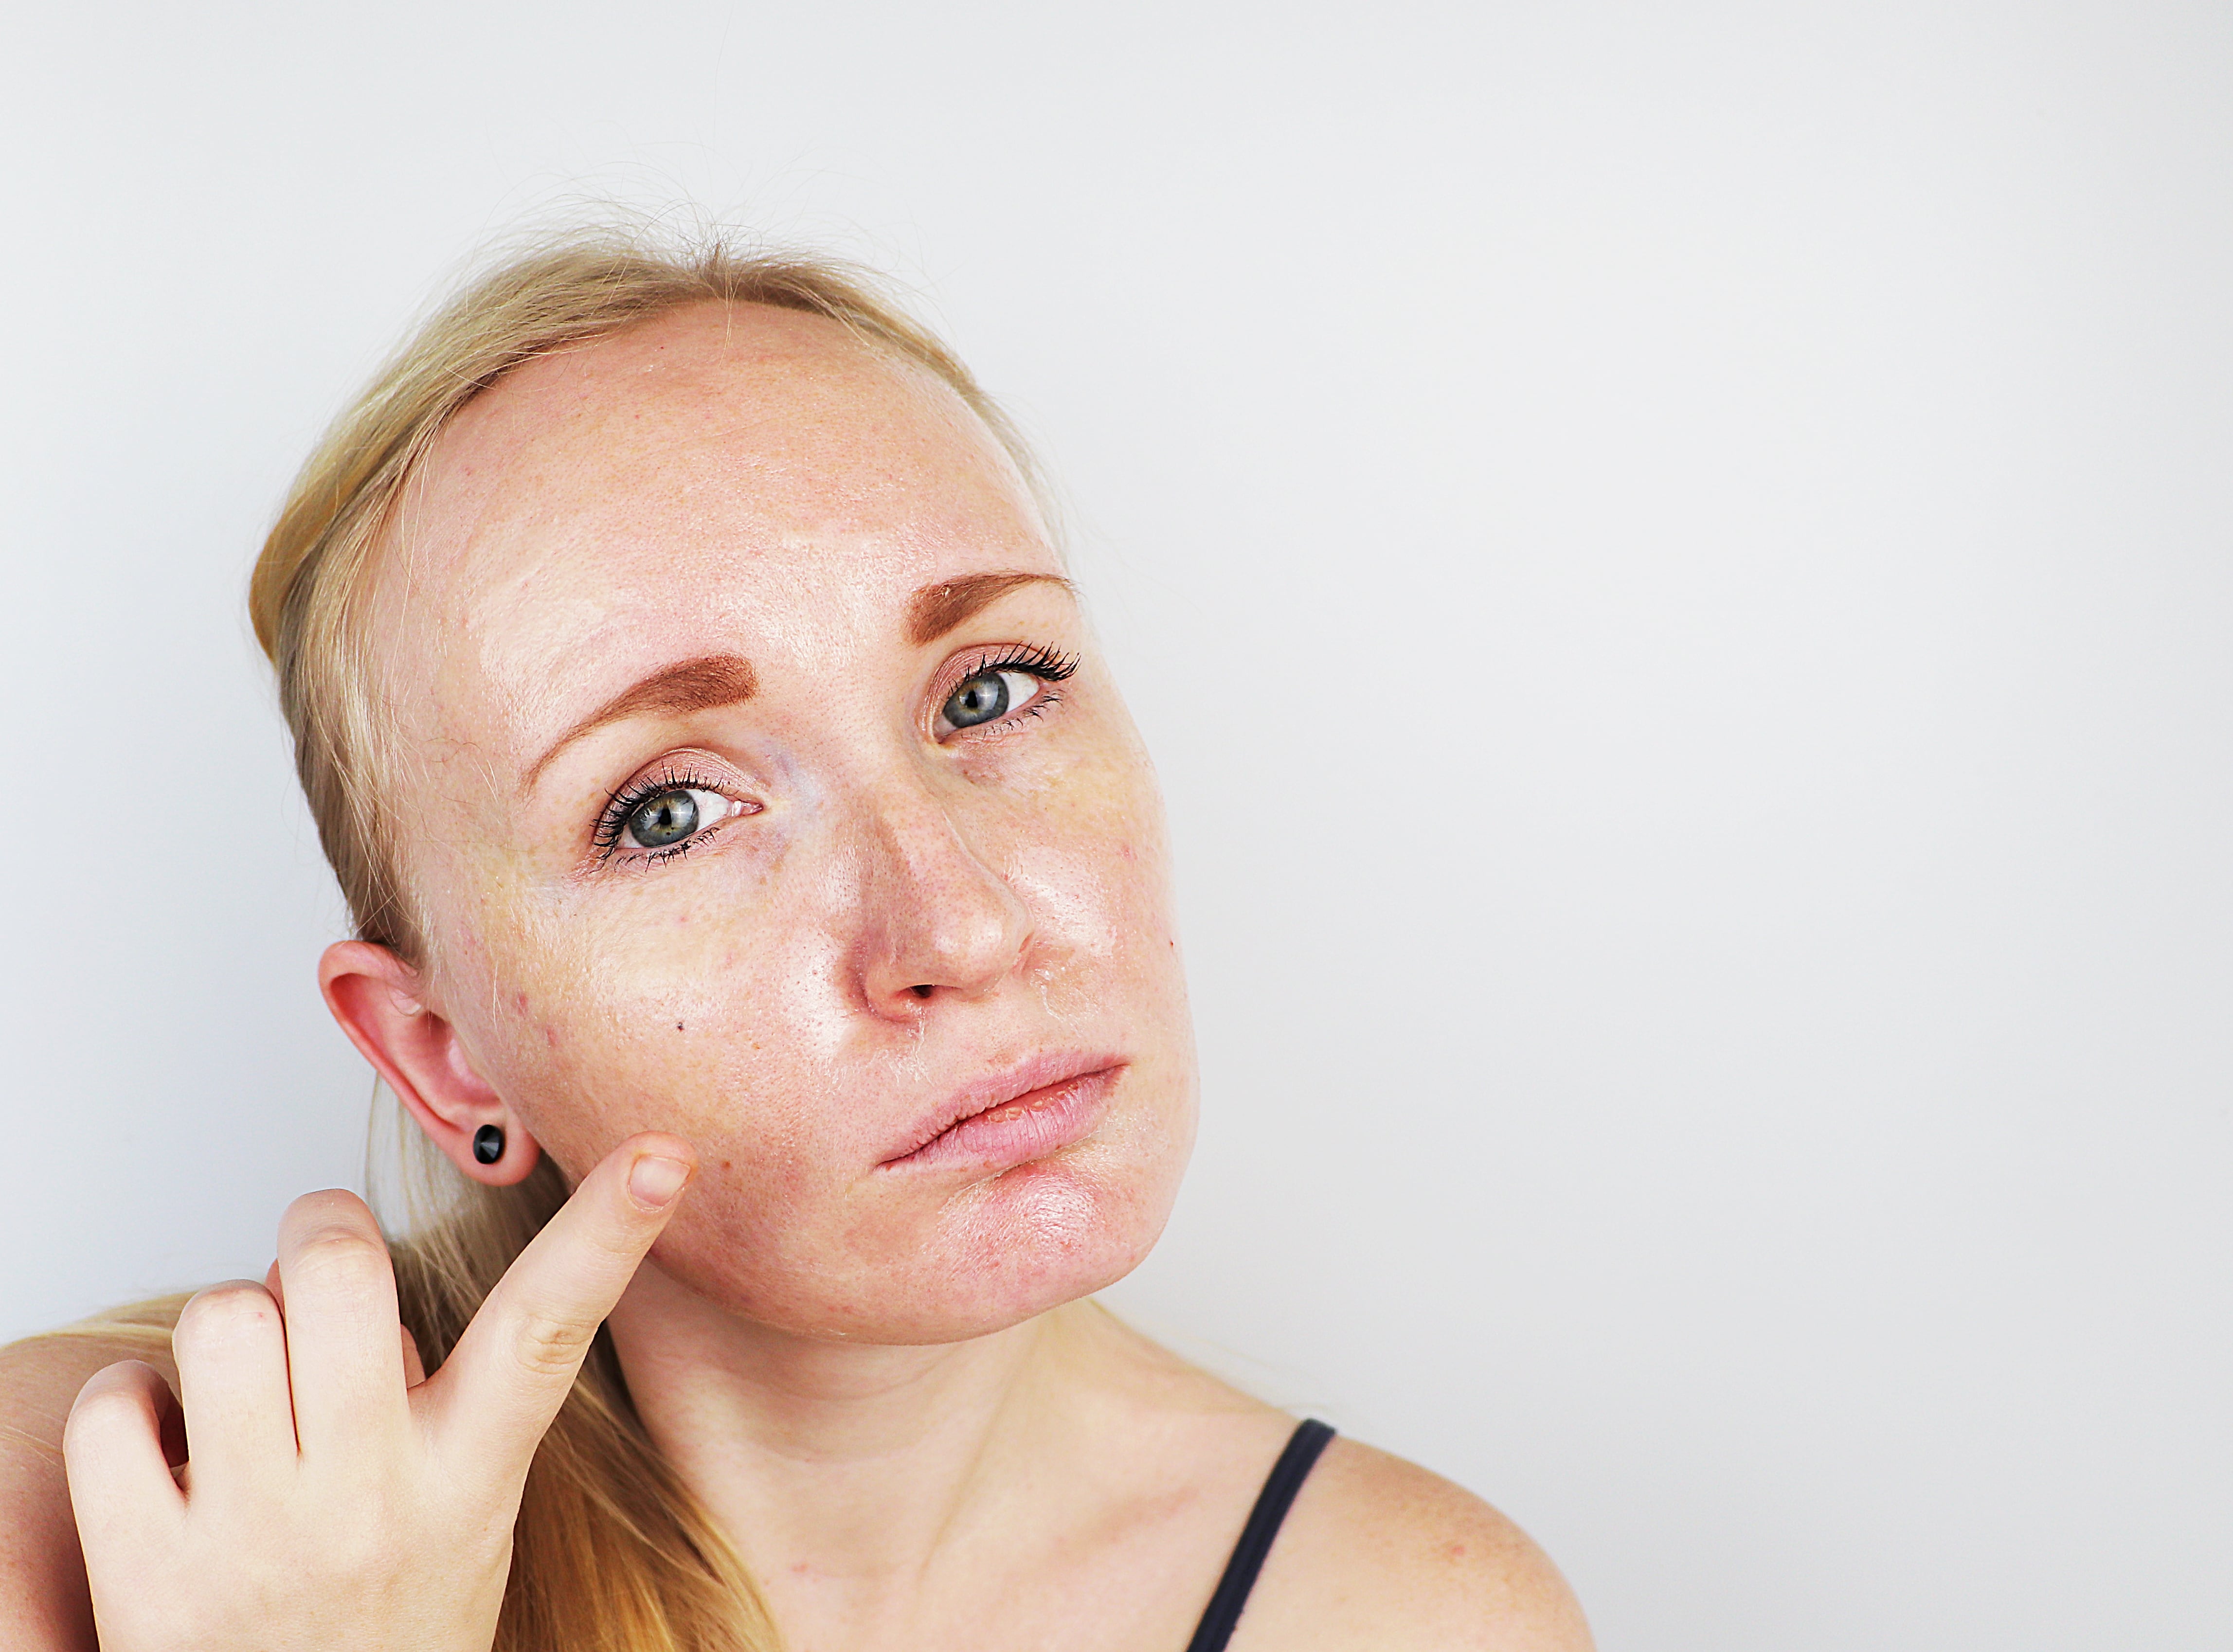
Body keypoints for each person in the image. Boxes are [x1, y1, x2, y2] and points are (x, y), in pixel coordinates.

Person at [0, 231, 1594, 1652]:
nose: (960, 926)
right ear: (441, 1050)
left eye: (991, 688)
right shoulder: (101, 1521)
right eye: (671, 812)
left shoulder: (1421, 1612)